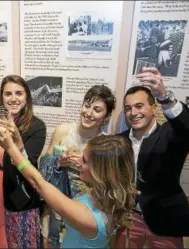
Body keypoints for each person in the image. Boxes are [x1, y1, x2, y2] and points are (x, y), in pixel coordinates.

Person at [0, 124, 137, 248]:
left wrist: (9, 147)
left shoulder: (88, 218)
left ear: (101, 172)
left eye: (84, 161)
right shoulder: (107, 195)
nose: (78, 162)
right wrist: (20, 148)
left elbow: (38, 183)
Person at [116, 67, 189, 248]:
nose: (133, 112)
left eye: (139, 106)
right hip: (129, 220)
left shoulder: (170, 135)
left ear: (154, 108)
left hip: (166, 221)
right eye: (128, 108)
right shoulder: (120, 141)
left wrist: (165, 96)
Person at [40, 85, 116, 247]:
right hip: (56, 208)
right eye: (87, 106)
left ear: (106, 117)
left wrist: (84, 166)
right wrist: (60, 162)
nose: (88, 113)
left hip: (84, 212)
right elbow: (43, 168)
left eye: (97, 110)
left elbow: (106, 185)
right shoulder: (63, 131)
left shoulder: (104, 144)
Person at [0, 75, 46, 248]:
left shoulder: (37, 126)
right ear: (1, 97)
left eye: (19, 93)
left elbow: (29, 165)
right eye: (8, 94)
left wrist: (17, 142)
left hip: (20, 190)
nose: (13, 99)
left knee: (21, 238)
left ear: (27, 97)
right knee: (1, 232)